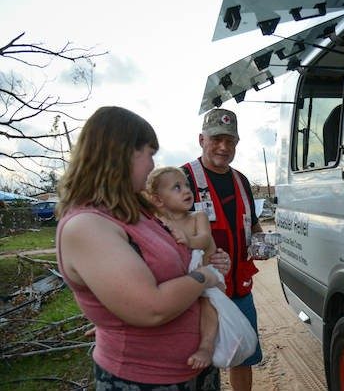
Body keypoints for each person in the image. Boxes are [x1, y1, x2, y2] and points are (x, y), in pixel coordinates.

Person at [55, 106, 232, 390]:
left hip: (193, 371)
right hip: (145, 379)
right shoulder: (87, 226)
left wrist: (214, 258)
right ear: (121, 153)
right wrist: (206, 277)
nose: (152, 165)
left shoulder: (136, 211)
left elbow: (177, 255)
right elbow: (151, 309)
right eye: (149, 153)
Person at [182, 108, 263, 391]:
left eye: (230, 141)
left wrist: (262, 243)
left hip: (239, 289)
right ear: (201, 139)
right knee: (197, 362)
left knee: (243, 355)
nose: (223, 147)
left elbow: (253, 225)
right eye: (216, 139)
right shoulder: (183, 179)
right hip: (199, 293)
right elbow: (164, 232)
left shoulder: (241, 181)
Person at [145, 166, 219, 370]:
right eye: (177, 188)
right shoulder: (157, 222)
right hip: (182, 281)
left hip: (207, 278)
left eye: (186, 185)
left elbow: (204, 240)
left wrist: (189, 240)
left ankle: (207, 345)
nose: (187, 191)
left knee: (208, 303)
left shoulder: (198, 217)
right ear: (158, 200)